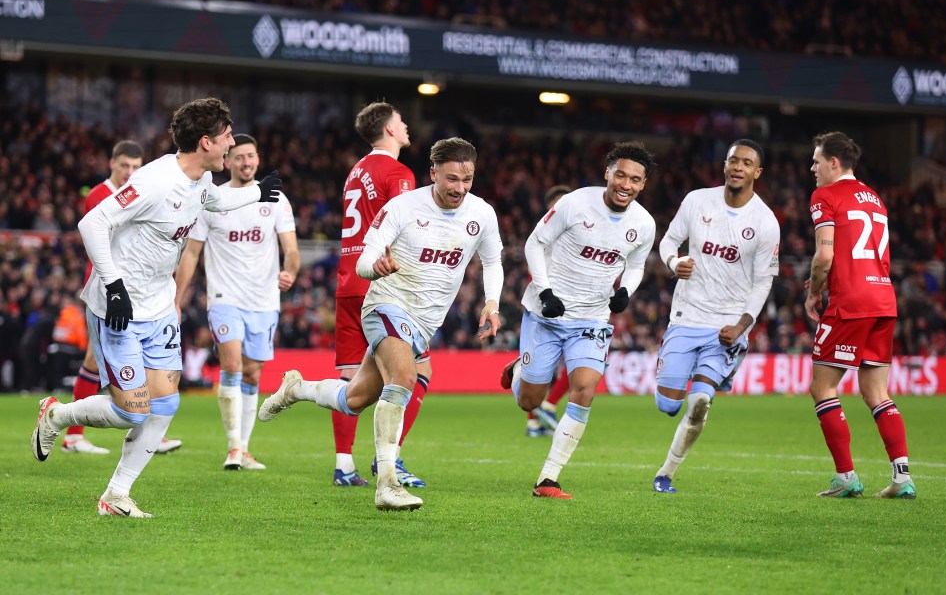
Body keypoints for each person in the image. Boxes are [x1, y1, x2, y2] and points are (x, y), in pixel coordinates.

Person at [30, 97, 284, 518]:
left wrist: (257, 192)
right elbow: (92, 223)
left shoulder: (201, 180)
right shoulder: (155, 180)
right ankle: (56, 415)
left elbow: (214, 203)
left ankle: (116, 495)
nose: (230, 144)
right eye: (225, 138)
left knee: (165, 404)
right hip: (119, 306)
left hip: (159, 307)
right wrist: (113, 286)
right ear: (205, 142)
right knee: (131, 411)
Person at [259, 137, 503, 511]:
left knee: (353, 400)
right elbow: (364, 260)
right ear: (433, 173)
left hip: (423, 323)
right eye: (452, 179)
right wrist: (376, 267)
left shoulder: (481, 213)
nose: (460, 188)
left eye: (467, 179)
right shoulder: (402, 207)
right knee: (405, 377)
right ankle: (387, 482)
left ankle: (296, 389)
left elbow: (492, 262)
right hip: (386, 305)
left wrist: (491, 303)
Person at [500, 142, 657, 499]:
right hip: (547, 313)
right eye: (620, 174)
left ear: (643, 184)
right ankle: (521, 371)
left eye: (635, 179)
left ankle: (548, 479)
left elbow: (635, 264)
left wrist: (626, 291)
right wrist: (545, 291)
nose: (626, 184)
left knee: (584, 390)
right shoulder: (574, 203)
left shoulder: (643, 223)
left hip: (592, 318)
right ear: (608, 173)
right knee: (530, 402)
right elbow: (534, 243)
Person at [651, 139, 779, 494]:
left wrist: (741, 327)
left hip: (726, 326)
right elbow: (667, 242)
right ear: (724, 165)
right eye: (733, 160)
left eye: (746, 163)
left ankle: (666, 474)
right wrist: (675, 263)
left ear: (757, 172)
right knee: (668, 405)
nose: (738, 167)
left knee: (701, 401)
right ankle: (676, 385)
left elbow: (763, 281)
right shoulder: (697, 201)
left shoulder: (766, 222)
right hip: (686, 316)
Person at [175, 133, 299, 471]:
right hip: (224, 297)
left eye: (251, 156)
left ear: (258, 159)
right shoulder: (212, 199)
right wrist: (177, 298)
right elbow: (192, 253)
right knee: (231, 364)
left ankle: (244, 449)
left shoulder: (276, 200)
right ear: (227, 161)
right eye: (239, 157)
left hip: (264, 299)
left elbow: (291, 250)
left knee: (254, 372)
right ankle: (232, 448)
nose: (246, 162)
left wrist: (290, 272)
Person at [805, 131, 914, 499]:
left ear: (834, 163)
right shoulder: (875, 198)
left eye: (817, 161)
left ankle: (846, 476)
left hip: (850, 300)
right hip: (884, 298)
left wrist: (814, 290)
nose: (812, 168)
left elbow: (824, 256)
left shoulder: (825, 195)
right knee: (876, 391)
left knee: (822, 387)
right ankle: (902, 478)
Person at [327, 102, 431, 488]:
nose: (406, 127)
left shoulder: (356, 171)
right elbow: (402, 224)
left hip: (347, 281)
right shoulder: (398, 172)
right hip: (381, 282)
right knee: (419, 370)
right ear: (389, 129)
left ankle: (343, 465)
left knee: (350, 375)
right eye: (402, 121)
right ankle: (391, 459)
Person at [61, 141, 182, 456]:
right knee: (97, 360)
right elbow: (105, 238)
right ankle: (74, 432)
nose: (129, 172)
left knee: (116, 359)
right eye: (124, 166)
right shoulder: (100, 195)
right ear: (111, 164)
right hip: (109, 289)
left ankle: (139, 427)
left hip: (138, 291)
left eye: (135, 167)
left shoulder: (142, 191)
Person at [500, 184, 573, 438]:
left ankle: (548, 407)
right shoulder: (542, 236)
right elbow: (535, 273)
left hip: (578, 310)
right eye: (557, 204)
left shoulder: (582, 235)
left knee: (582, 366)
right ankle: (536, 419)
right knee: (541, 371)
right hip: (545, 308)